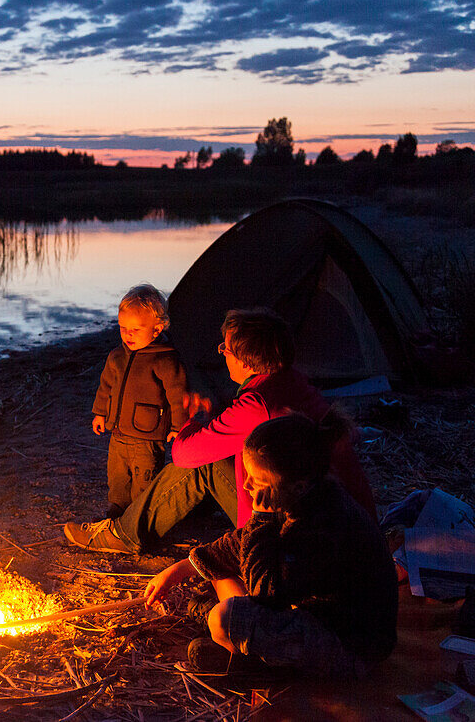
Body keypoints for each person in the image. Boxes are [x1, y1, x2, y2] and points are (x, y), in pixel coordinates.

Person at [64, 307, 375, 554]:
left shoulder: (257, 404)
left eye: (225, 348)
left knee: (198, 464)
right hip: (346, 523)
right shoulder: (288, 380)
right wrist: (211, 415)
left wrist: (189, 419)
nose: (220, 351)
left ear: (244, 359)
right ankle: (177, 514)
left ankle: (124, 534)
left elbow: (185, 454)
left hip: (297, 535)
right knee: (213, 454)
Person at [142, 413, 398, 679]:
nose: (246, 485)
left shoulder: (324, 525)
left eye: (258, 481)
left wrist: (260, 519)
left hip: (349, 649)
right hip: (316, 612)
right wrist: (181, 569)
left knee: (226, 618)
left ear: (297, 485)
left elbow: (263, 595)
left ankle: (255, 666)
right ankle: (240, 652)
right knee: (223, 575)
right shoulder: (302, 497)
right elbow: (238, 544)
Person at [91, 284, 189, 519]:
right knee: (117, 475)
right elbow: (105, 386)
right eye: (123, 328)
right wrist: (100, 413)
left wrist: (178, 427)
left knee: (144, 478)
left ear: (157, 329)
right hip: (118, 432)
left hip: (148, 436)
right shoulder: (117, 356)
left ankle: (138, 516)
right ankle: (116, 508)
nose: (128, 334)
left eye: (135, 329)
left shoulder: (165, 359)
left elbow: (178, 396)